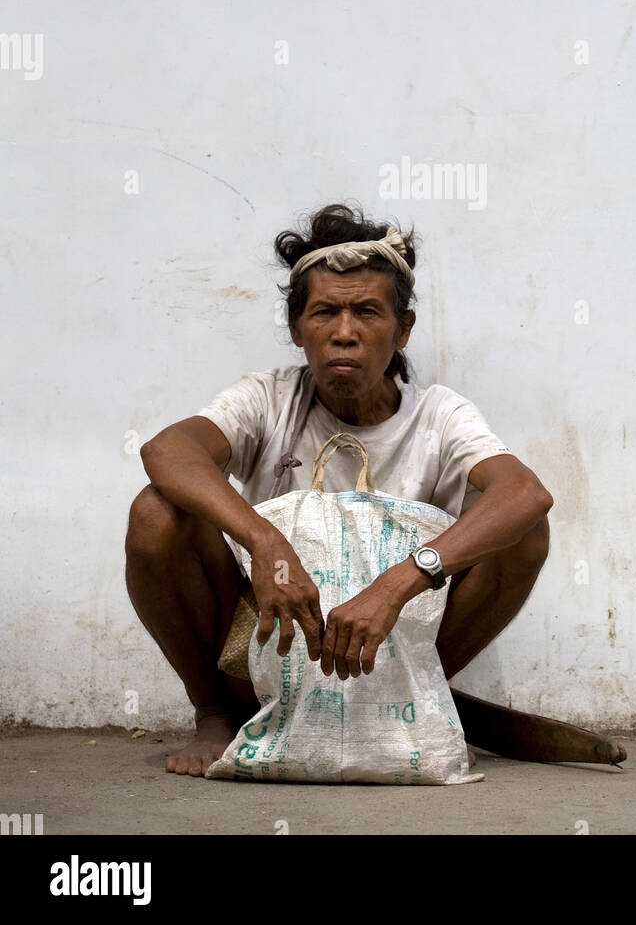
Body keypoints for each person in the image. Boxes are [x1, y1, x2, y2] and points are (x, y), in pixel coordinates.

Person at [125, 202, 553, 776]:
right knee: (156, 513)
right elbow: (166, 452)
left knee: (523, 533)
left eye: (368, 313)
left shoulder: (439, 415)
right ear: (299, 329)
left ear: (402, 330)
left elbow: (525, 494)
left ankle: (412, 709)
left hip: (387, 650)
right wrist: (266, 543)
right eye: (325, 312)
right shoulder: (268, 398)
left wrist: (399, 583)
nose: (344, 334)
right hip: (269, 647)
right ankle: (216, 713)